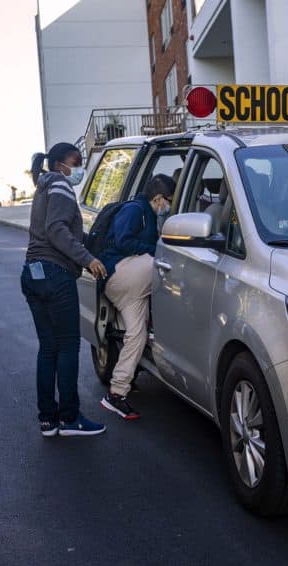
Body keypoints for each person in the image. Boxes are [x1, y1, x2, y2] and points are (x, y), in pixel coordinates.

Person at [22, 142, 108, 436]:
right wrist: (88, 259)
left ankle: (48, 419)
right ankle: (70, 419)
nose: (80, 167)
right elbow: (56, 229)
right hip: (54, 274)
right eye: (77, 161)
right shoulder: (60, 184)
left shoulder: (45, 185)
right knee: (68, 346)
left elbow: (62, 228)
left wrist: (91, 239)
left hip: (33, 273)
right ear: (61, 163)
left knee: (48, 348)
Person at [98, 174, 175, 420]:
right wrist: (160, 250)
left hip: (131, 287)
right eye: (169, 201)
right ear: (159, 198)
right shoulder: (135, 210)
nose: (169, 207)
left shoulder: (150, 213)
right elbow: (123, 242)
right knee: (167, 263)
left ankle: (116, 393)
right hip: (119, 272)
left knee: (137, 335)